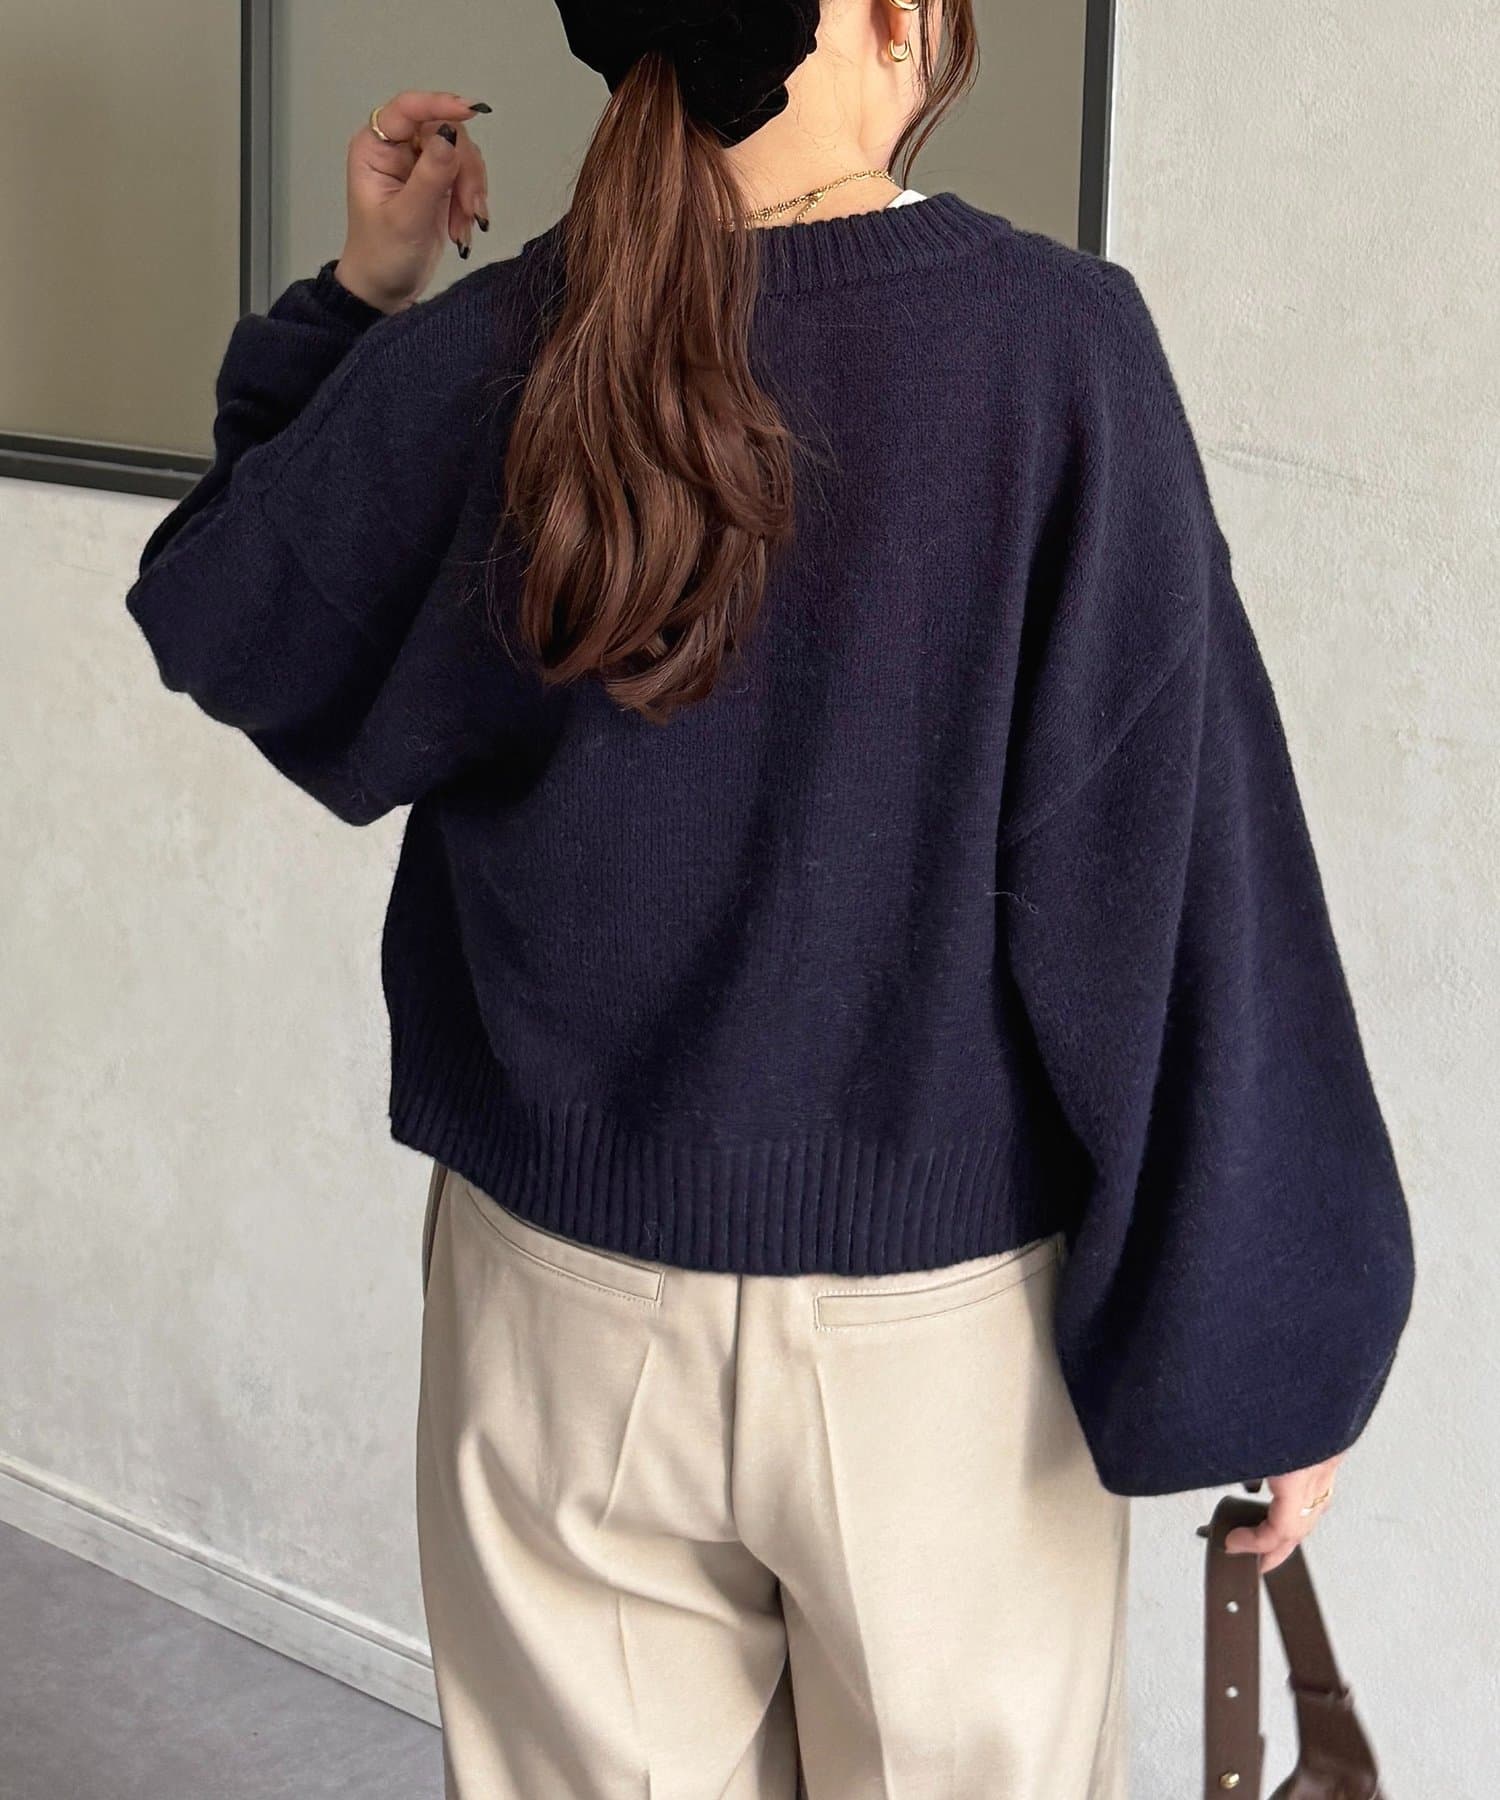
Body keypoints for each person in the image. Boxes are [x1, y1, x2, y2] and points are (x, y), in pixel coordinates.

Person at [123, 0, 1415, 1793]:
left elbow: (234, 615)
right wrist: (1272, 1341)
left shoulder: (508, 345)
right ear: (893, 14)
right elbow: (1182, 876)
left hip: (559, 1329)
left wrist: (359, 296)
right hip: (940, 1365)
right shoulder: (1051, 350)